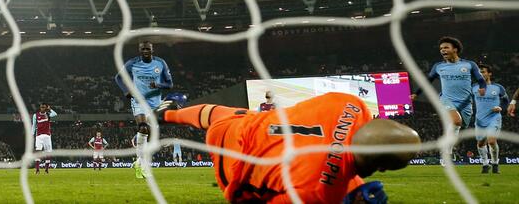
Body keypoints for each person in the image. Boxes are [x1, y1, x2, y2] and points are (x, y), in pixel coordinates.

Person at [158, 92, 420, 203]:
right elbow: (332, 168)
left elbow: (332, 147)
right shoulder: (320, 192)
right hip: (234, 162)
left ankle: (167, 114)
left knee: (214, 114)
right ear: (383, 168)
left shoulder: (350, 103)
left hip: (246, 124)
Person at [410, 37, 486, 146]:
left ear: (455, 49)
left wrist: (482, 88)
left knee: (461, 125)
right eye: (441, 48)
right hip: (446, 99)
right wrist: (416, 93)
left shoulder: (469, 64)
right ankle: (448, 152)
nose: (443, 50)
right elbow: (427, 81)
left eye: (446, 47)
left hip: (465, 102)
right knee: (456, 121)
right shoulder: (438, 66)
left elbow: (481, 80)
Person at [114, 41, 173, 154]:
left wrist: (158, 85)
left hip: (155, 103)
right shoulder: (132, 63)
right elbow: (118, 78)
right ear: (140, 50)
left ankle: (139, 140)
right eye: (143, 49)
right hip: (138, 101)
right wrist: (126, 91)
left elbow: (169, 84)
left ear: (152, 50)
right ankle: (140, 161)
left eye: (148, 49)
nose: (145, 51)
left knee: (150, 136)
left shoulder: (160, 63)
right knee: (143, 127)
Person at [474, 64, 508, 174]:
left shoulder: (498, 88)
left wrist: (500, 107)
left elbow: (506, 101)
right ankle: (485, 164)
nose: (481, 74)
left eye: (483, 71)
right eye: (479, 72)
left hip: (494, 118)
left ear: (489, 73)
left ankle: (495, 164)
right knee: (480, 144)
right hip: (480, 119)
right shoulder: (474, 87)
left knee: (492, 141)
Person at [32, 102, 56, 174]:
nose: (42, 108)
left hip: (47, 136)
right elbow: (33, 125)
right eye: (41, 107)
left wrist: (50, 109)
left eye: (44, 107)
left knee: (48, 153)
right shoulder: (35, 115)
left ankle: (46, 169)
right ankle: (37, 170)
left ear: (46, 108)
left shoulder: (48, 114)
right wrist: (31, 134)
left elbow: (55, 114)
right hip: (39, 136)